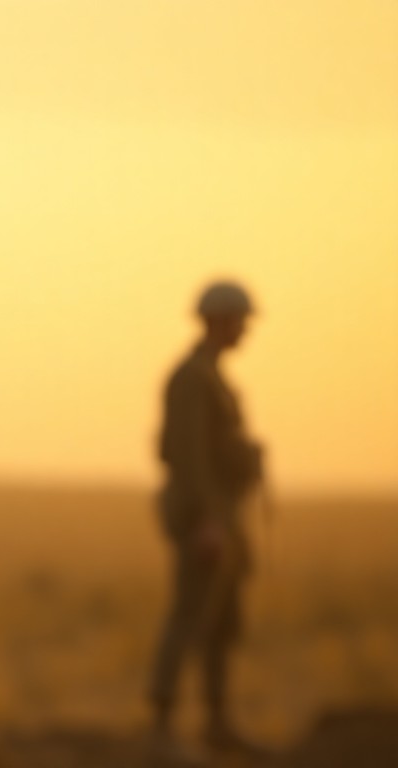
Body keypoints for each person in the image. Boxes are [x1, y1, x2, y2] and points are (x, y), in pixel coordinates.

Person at [149, 280, 269, 763]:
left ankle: (218, 722)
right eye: (240, 320)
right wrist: (208, 521)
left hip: (223, 514)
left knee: (221, 622)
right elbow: (190, 454)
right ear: (220, 320)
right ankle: (161, 724)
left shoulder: (212, 377)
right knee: (190, 616)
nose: (245, 330)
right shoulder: (193, 379)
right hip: (207, 517)